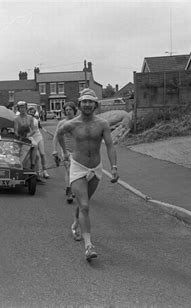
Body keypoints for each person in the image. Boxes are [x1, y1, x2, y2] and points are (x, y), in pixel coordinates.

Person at [55, 88, 118, 261]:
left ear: (95, 104)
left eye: (91, 102)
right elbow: (58, 134)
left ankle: (76, 222)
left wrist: (114, 167)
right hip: (78, 167)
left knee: (85, 203)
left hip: (96, 168)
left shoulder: (102, 124)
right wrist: (64, 153)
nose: (88, 104)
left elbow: (110, 145)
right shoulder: (71, 124)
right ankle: (88, 245)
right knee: (84, 205)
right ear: (80, 104)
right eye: (84, 102)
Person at [52, 101, 77, 203]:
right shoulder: (61, 123)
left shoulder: (78, 121)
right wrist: (54, 150)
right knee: (68, 170)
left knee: (77, 172)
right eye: (66, 110)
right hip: (66, 150)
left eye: (70, 109)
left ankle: (74, 188)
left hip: (78, 150)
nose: (68, 111)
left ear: (74, 110)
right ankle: (69, 191)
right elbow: (56, 137)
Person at [27, 108, 50, 179]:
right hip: (32, 138)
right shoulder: (26, 120)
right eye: (30, 112)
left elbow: (40, 127)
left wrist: (46, 130)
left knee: (42, 154)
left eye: (33, 112)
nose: (31, 113)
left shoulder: (36, 120)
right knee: (36, 156)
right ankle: (37, 172)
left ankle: (45, 171)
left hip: (38, 136)